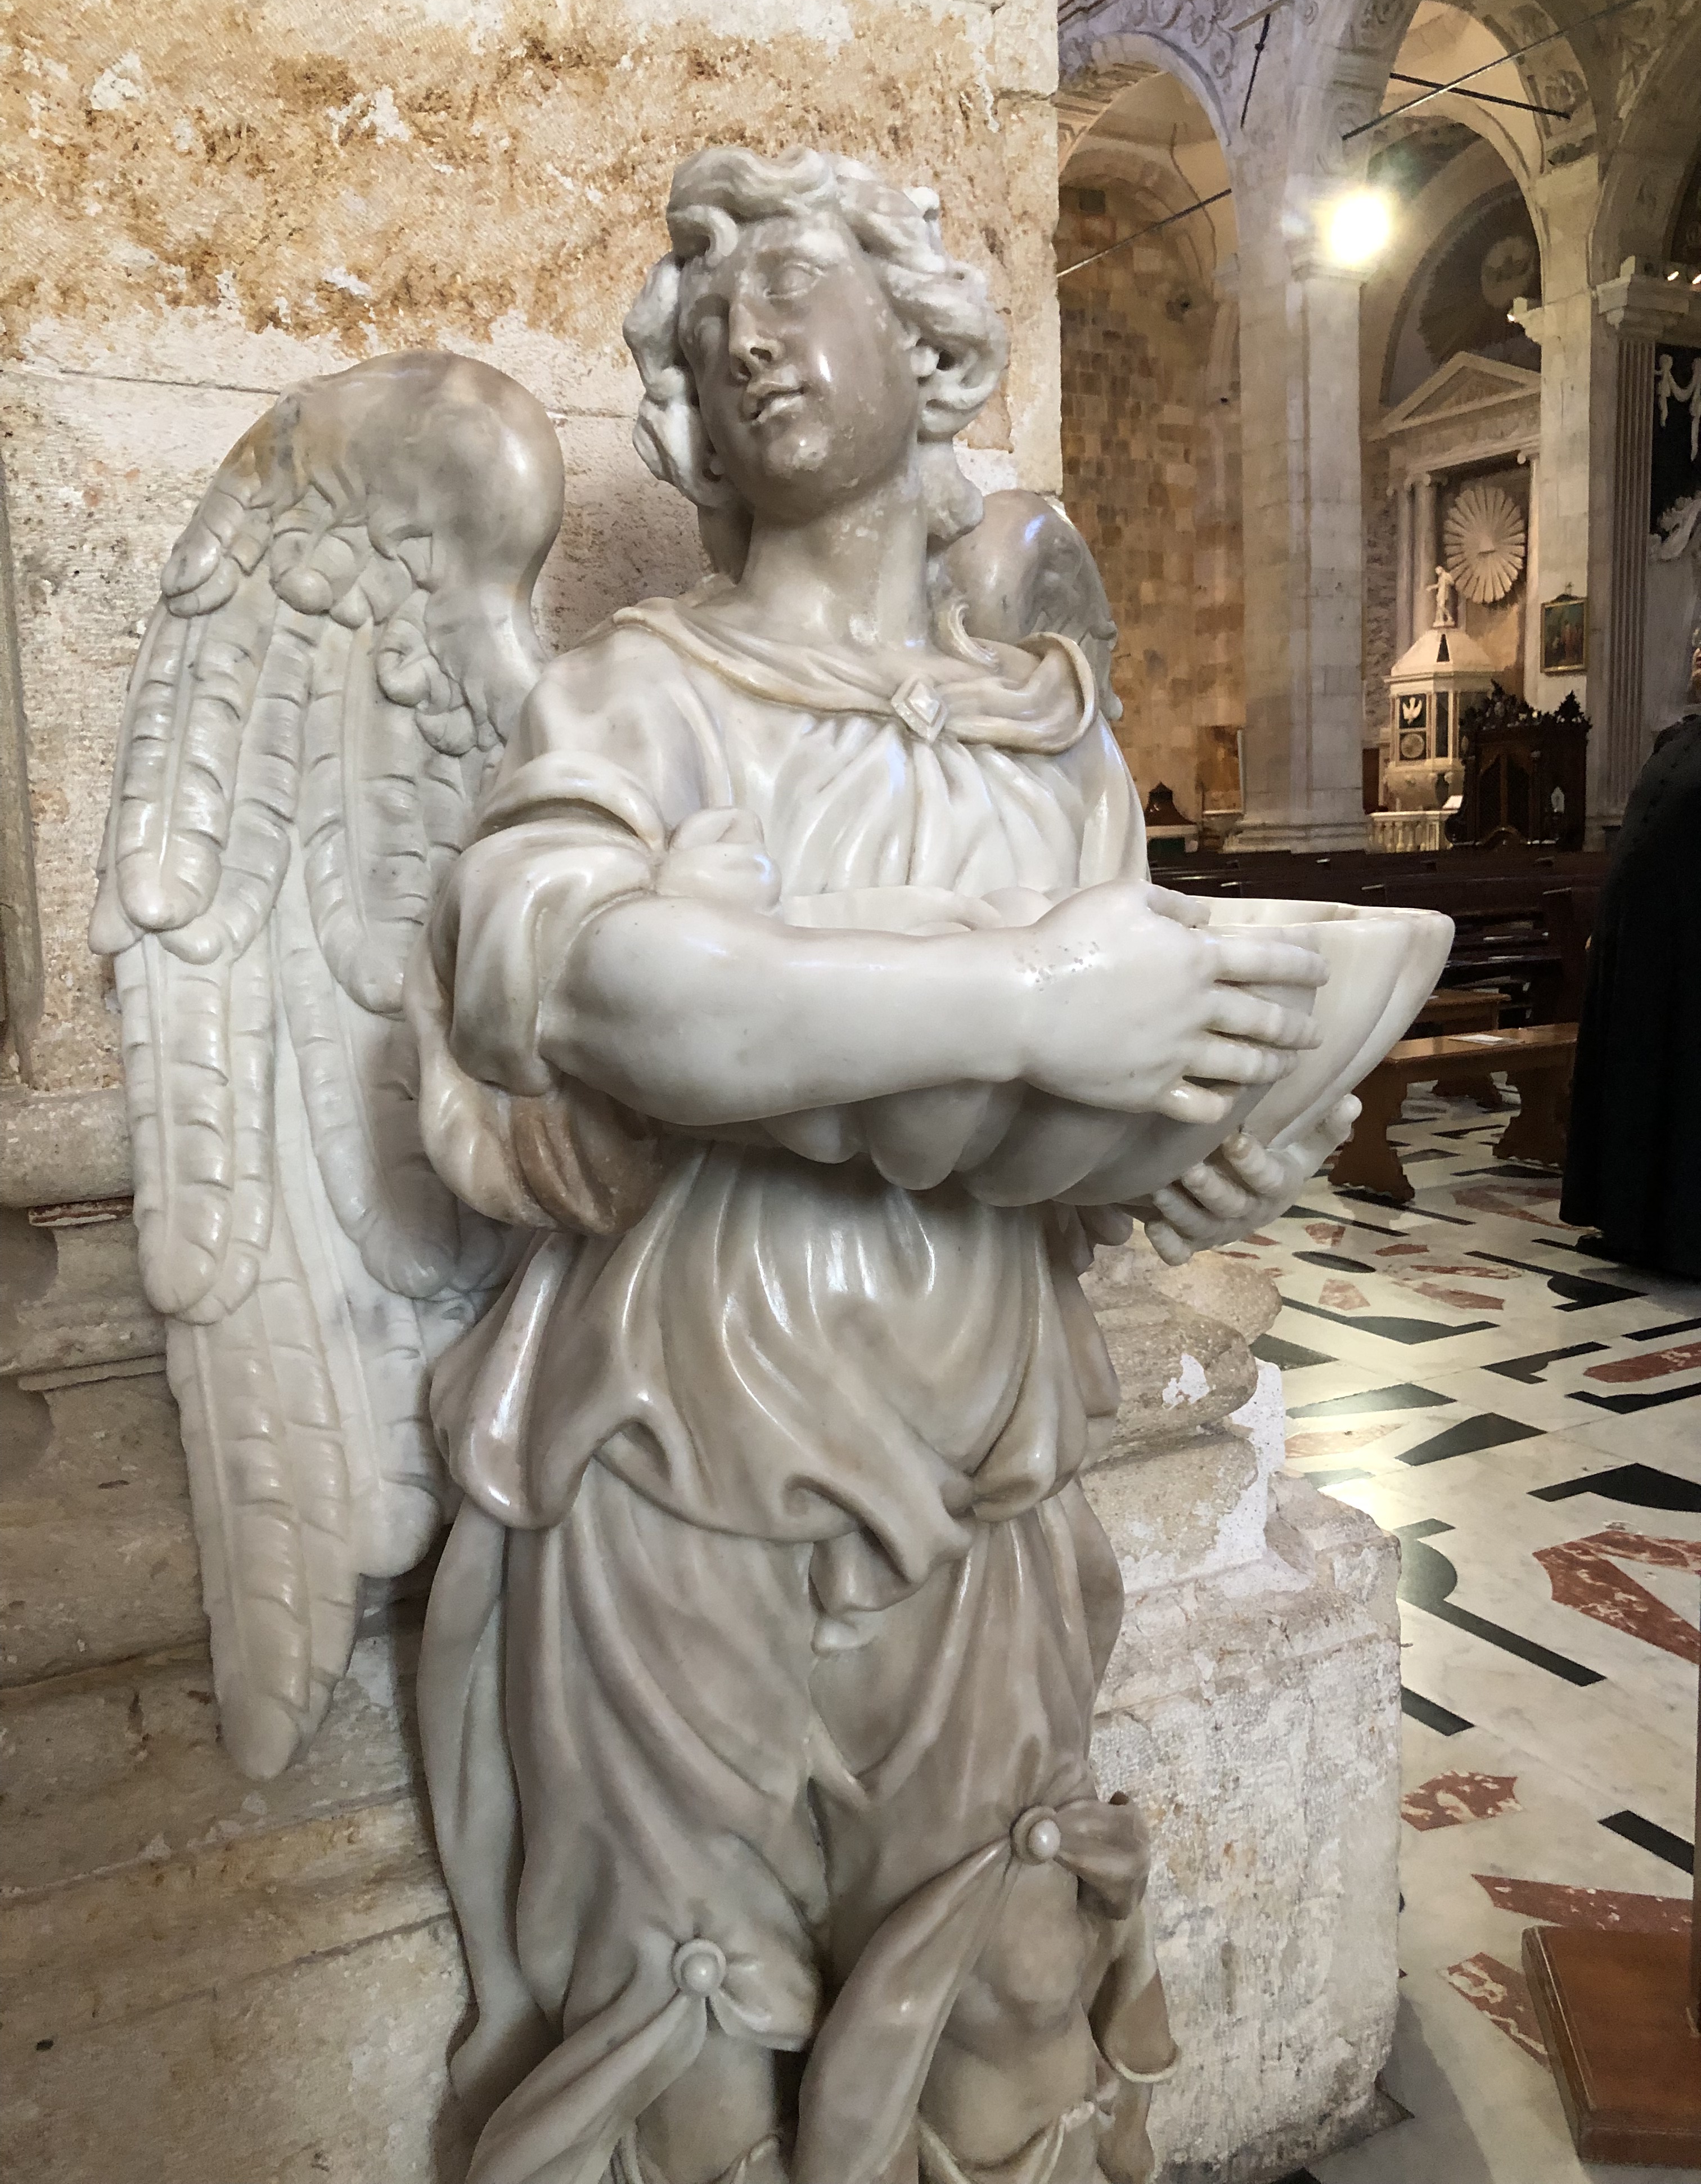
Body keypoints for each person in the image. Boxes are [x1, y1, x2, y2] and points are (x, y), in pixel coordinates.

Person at [410, 145, 1349, 2184]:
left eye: (792, 285)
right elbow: (581, 984)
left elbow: (1079, 1146)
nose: (746, 334)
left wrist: (1192, 1158)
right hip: (687, 1444)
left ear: (925, 350)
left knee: (996, 1981)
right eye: (709, 317)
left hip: (984, 1453)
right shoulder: (639, 694)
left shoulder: (1052, 740)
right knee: (691, 2021)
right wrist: (1026, 1004)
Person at [1562, 653, 1701, 1276]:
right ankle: (1627, 1223)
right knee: (1632, 1079)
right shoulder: (1675, 739)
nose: (1697, 653)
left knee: (1684, 1084)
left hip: (1691, 952)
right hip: (1638, 948)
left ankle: (1684, 1237)